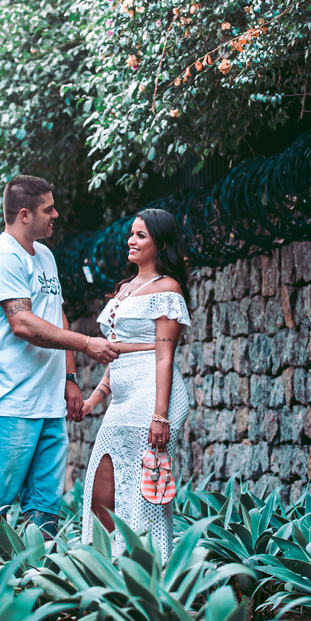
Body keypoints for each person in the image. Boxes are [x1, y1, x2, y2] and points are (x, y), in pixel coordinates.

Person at [0, 173, 118, 536]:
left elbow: (55, 313)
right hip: (8, 404)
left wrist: (69, 379)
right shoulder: (4, 257)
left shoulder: (45, 256)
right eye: (48, 209)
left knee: (45, 511)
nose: (56, 215)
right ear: (24, 215)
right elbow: (23, 323)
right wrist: (85, 344)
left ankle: (38, 584)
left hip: (48, 404)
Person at [80, 208, 192, 562]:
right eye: (132, 233)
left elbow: (163, 356)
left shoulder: (167, 289)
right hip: (123, 398)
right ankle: (105, 568)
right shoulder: (125, 288)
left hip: (152, 397)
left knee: (145, 493)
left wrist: (160, 416)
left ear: (160, 243)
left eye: (141, 235)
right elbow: (116, 356)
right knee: (102, 487)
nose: (131, 240)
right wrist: (93, 400)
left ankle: (148, 575)